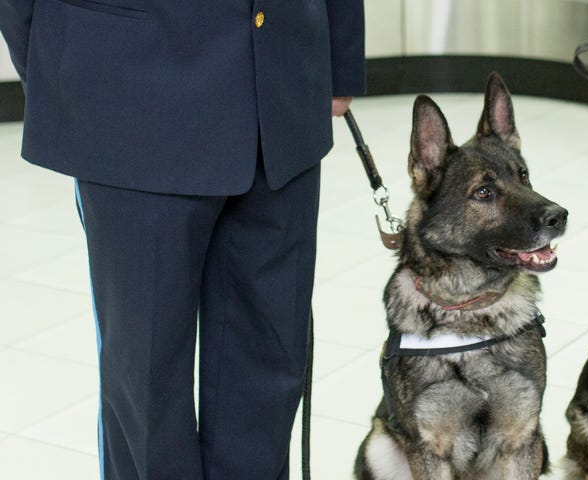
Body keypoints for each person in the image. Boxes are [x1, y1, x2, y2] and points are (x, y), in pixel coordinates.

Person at [0, 1, 364, 478]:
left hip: (281, 82)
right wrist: (59, 62)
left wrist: (339, 51)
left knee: (268, 370)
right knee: (148, 384)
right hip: (127, 86)